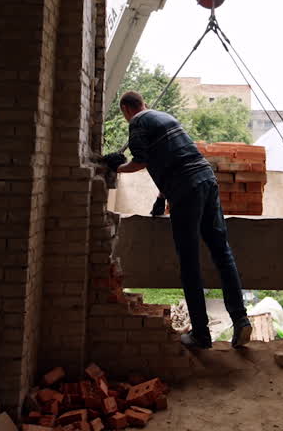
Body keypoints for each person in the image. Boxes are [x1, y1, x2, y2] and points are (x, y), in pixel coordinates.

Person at [102, 91, 252, 350]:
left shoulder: (137, 122)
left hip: (185, 188)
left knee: (189, 261)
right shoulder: (165, 117)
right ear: (143, 103)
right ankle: (241, 320)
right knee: (222, 252)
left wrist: (117, 168)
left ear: (126, 109)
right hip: (206, 180)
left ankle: (201, 334)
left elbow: (140, 161)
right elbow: (175, 159)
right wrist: (161, 197)